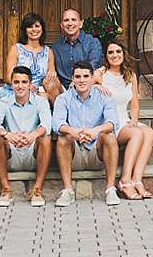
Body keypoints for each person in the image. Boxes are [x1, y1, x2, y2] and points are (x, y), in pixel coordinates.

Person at [52, 61, 121, 207]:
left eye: (85, 76)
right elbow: (56, 124)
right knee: (63, 137)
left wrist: (94, 131)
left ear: (91, 78)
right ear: (72, 79)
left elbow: (113, 122)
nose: (82, 80)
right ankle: (68, 191)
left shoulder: (104, 96)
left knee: (109, 135)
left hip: (97, 151)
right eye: (77, 77)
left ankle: (110, 189)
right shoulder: (63, 98)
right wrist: (74, 131)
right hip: (74, 151)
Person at [94, 40, 153, 199]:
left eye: (118, 52)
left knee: (149, 132)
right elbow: (80, 85)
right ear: (106, 57)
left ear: (123, 54)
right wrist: (96, 84)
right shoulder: (101, 74)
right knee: (136, 134)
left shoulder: (130, 75)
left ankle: (137, 179)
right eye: (110, 52)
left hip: (124, 117)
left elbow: (134, 102)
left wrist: (134, 119)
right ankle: (124, 180)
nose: (114, 55)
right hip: (110, 122)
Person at [0, 65, 53, 207]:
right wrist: (8, 135)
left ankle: (37, 190)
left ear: (30, 84)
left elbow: (47, 124)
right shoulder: (4, 102)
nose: (20, 86)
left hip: (33, 152)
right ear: (12, 83)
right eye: (16, 82)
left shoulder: (41, 101)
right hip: (11, 152)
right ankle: (6, 190)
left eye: (24, 82)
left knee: (46, 138)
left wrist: (32, 135)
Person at [2, 12, 61, 104]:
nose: (34, 29)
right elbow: (9, 76)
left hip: (38, 91)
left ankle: (59, 114)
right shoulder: (16, 49)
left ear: (42, 29)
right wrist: (26, 85)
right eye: (30, 26)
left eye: (37, 26)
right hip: (18, 89)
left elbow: (51, 76)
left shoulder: (48, 51)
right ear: (25, 30)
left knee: (49, 88)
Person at [51, 8, 102, 89]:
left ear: (81, 24)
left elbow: (93, 66)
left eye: (73, 20)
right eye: (66, 20)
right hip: (63, 89)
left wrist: (76, 81)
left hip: (87, 84)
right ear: (61, 25)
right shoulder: (56, 46)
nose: (70, 23)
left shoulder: (92, 42)